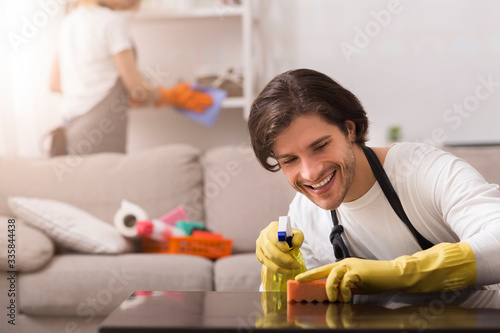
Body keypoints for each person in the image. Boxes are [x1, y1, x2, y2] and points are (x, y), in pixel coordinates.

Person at [249, 68, 500, 302]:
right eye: (290, 160)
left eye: (321, 146)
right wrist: (277, 272)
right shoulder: (304, 214)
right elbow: (306, 309)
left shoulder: (423, 170)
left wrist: (401, 272)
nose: (310, 173)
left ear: (349, 129)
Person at [48, 0, 212, 156]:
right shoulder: (112, 22)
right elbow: (137, 90)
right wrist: (171, 96)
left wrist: (106, 91)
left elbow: (55, 84)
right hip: (100, 131)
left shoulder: (69, 21)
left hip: (71, 129)